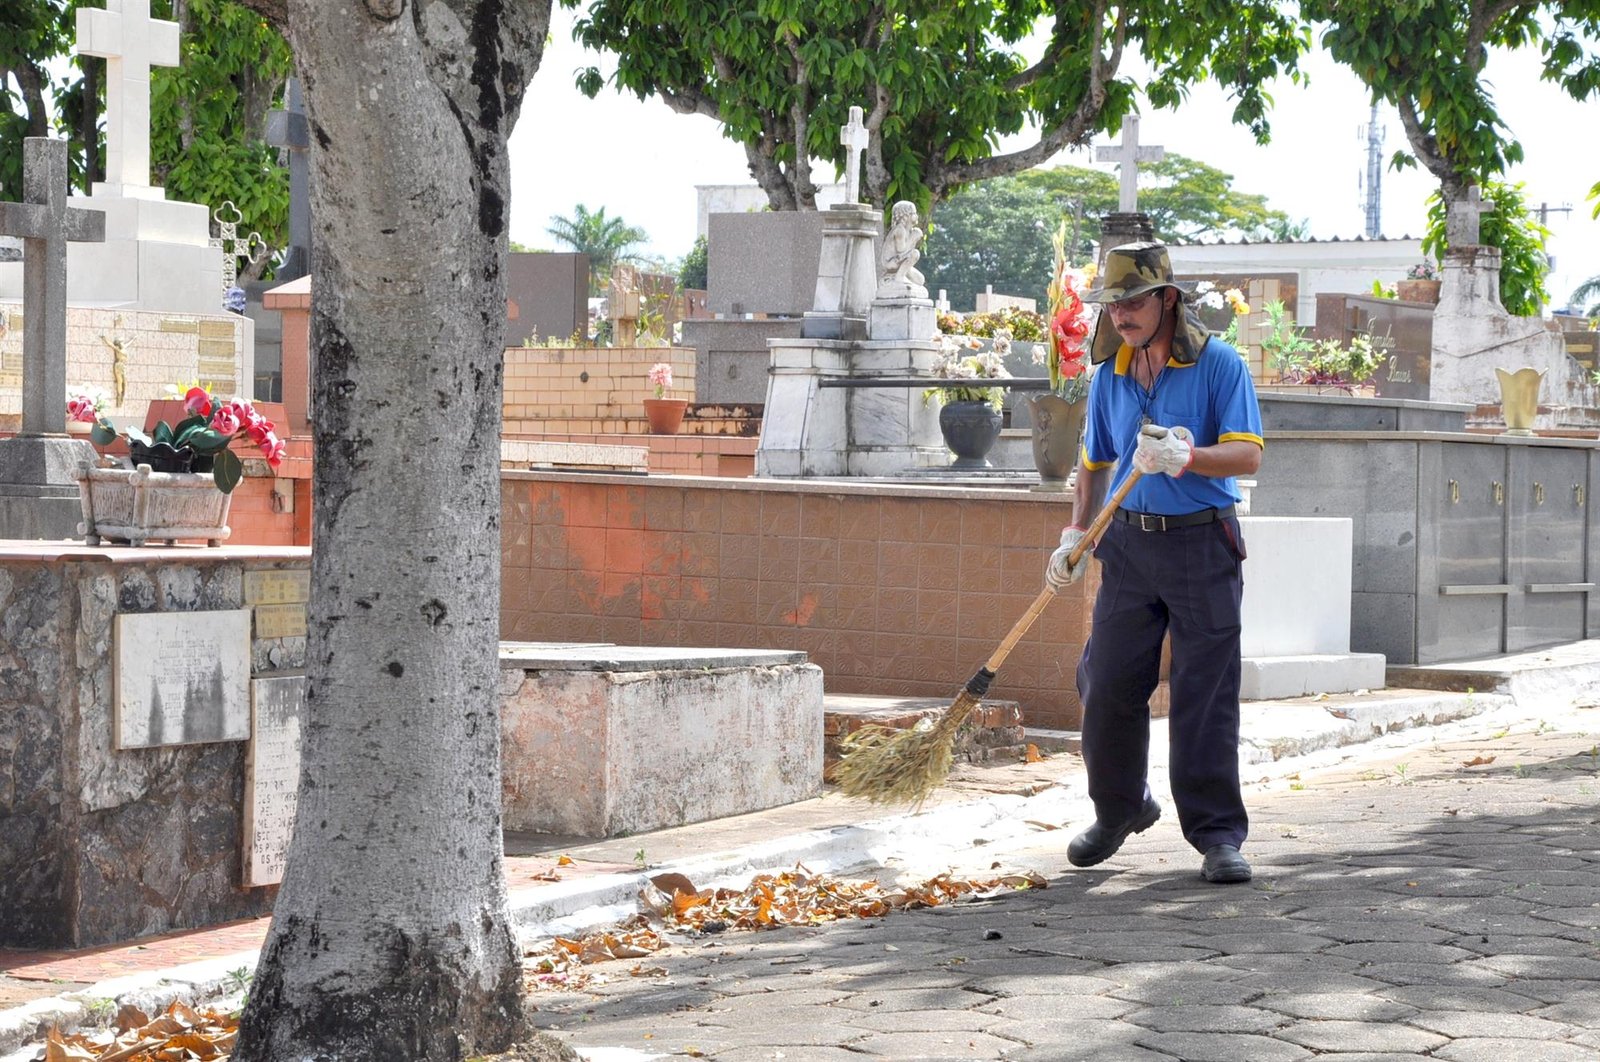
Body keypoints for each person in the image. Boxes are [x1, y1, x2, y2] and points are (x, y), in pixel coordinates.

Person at [1043, 241, 1264, 884]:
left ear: (1168, 298)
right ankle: (1119, 808)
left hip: (1203, 542)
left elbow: (1248, 455)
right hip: (1129, 547)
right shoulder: (1109, 372)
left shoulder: (1219, 363)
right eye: (1113, 305)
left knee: (1205, 692)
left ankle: (1217, 834)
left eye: (1135, 301)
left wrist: (1186, 458)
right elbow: (1092, 462)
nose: (1122, 316)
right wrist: (1074, 536)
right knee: (1106, 681)